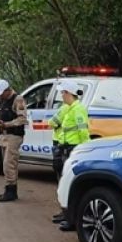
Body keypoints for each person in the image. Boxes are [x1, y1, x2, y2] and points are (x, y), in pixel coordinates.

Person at [49, 81, 91, 230]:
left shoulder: (78, 109)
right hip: (66, 149)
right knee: (65, 183)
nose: (61, 95)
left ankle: (72, 219)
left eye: (63, 93)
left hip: (74, 150)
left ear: (68, 93)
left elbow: (83, 132)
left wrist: (85, 150)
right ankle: (67, 215)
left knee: (71, 185)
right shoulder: (70, 108)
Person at [0, 79, 27, 202]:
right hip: (4, 136)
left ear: (8, 90)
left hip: (14, 135)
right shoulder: (2, 100)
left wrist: (6, 125)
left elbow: (22, 119)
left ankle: (11, 191)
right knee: (6, 165)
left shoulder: (18, 99)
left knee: (9, 163)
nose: (0, 95)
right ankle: (9, 189)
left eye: (2, 93)